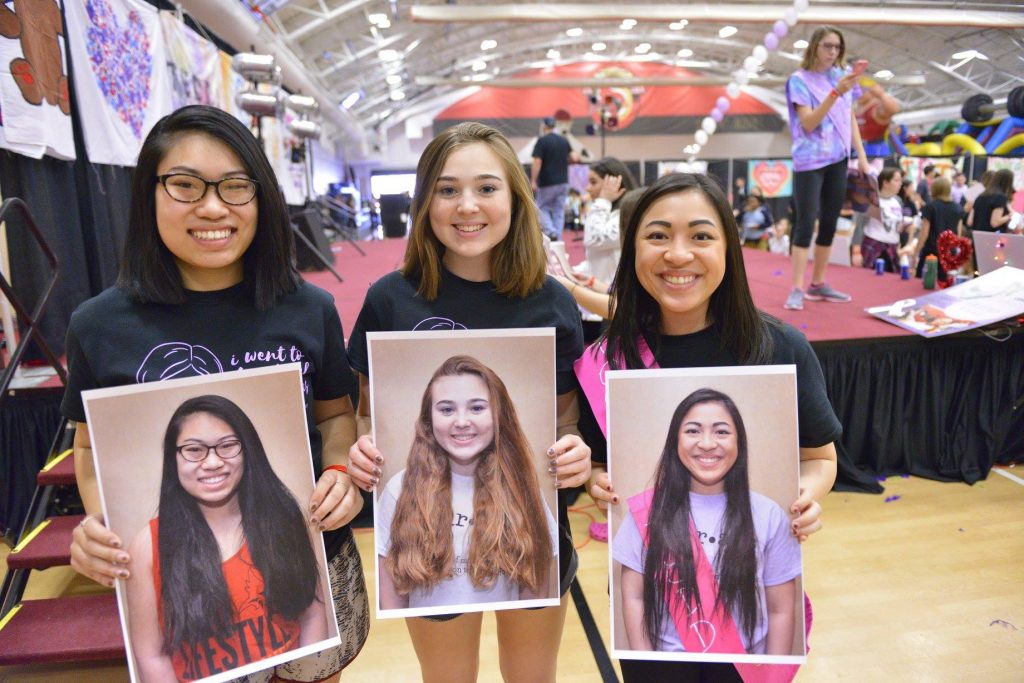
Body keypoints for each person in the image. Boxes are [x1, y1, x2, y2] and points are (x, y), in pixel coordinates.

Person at [64, 104, 369, 681]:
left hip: (306, 559)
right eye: (184, 185)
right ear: (147, 195)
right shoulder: (99, 325)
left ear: (262, 198)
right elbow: (86, 448)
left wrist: (339, 473)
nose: (212, 207)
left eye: (235, 186)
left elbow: (335, 414)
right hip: (190, 588)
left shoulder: (309, 308)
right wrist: (102, 522)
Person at [345, 121, 591, 683]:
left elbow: (565, 417)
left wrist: (575, 453)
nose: (467, 206)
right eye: (448, 189)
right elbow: (366, 413)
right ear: (425, 200)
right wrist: (362, 452)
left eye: (486, 188)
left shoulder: (551, 301)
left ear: (515, 198)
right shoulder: (391, 298)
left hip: (530, 524)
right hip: (427, 532)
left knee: (533, 674)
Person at [576, 172, 840, 682]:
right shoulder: (608, 358)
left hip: (751, 608)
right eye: (657, 236)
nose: (678, 255)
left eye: (700, 236)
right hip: (654, 602)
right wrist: (596, 480)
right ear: (632, 250)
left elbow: (820, 457)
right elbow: (598, 463)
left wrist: (803, 495)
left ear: (729, 248)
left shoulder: (779, 348)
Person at [127, 396, 328, 681]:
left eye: (227, 446)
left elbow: (311, 613)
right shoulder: (147, 546)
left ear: (248, 450)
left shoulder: (284, 516)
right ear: (173, 459)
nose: (212, 462)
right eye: (194, 449)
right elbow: (152, 655)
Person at [615, 388, 801, 656]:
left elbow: (780, 610)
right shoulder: (645, 513)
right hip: (672, 669)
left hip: (746, 669)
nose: (707, 443)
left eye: (721, 432)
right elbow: (634, 599)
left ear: (739, 443)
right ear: (675, 442)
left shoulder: (768, 514)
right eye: (692, 431)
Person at [377, 355, 558, 610]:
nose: (461, 422)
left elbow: (535, 595)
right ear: (429, 420)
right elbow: (392, 604)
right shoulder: (399, 490)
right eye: (447, 409)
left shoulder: (522, 489)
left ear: (498, 416)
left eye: (476, 408)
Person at [783, 25, 870, 310]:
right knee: (805, 223)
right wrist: (835, 92)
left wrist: (861, 154)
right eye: (827, 46)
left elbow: (849, 118)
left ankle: (818, 283)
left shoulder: (841, 78)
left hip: (839, 157)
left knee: (831, 222)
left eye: (837, 47)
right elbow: (808, 123)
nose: (833, 52)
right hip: (810, 160)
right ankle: (796, 287)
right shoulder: (800, 80)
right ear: (814, 48)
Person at [582, 157, 639, 285]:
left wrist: (603, 200)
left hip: (616, 296)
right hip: (604, 291)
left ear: (614, 183)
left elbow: (594, 239)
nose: (588, 188)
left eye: (593, 182)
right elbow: (598, 259)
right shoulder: (608, 211)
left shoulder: (627, 215)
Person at [531, 116, 577, 241]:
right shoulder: (563, 140)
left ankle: (551, 232)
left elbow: (537, 162)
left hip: (547, 182)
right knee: (559, 211)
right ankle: (558, 237)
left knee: (541, 207)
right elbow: (574, 157)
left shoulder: (542, 141)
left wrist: (533, 180)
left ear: (544, 126)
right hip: (563, 181)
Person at [914, 177, 963, 281]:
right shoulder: (958, 208)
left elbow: (924, 233)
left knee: (923, 282)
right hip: (949, 251)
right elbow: (958, 233)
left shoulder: (930, 207)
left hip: (931, 250)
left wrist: (916, 252)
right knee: (944, 282)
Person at [860, 167, 909, 273]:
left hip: (892, 245)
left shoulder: (898, 201)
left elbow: (898, 223)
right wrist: (855, 250)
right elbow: (860, 224)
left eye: (901, 180)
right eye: (896, 180)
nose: (900, 184)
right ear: (886, 182)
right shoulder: (872, 199)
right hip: (874, 242)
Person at [968, 168, 1014, 233]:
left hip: (977, 237)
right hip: (992, 238)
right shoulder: (1001, 197)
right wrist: (1009, 216)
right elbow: (995, 223)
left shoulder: (980, 196)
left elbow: (970, 221)